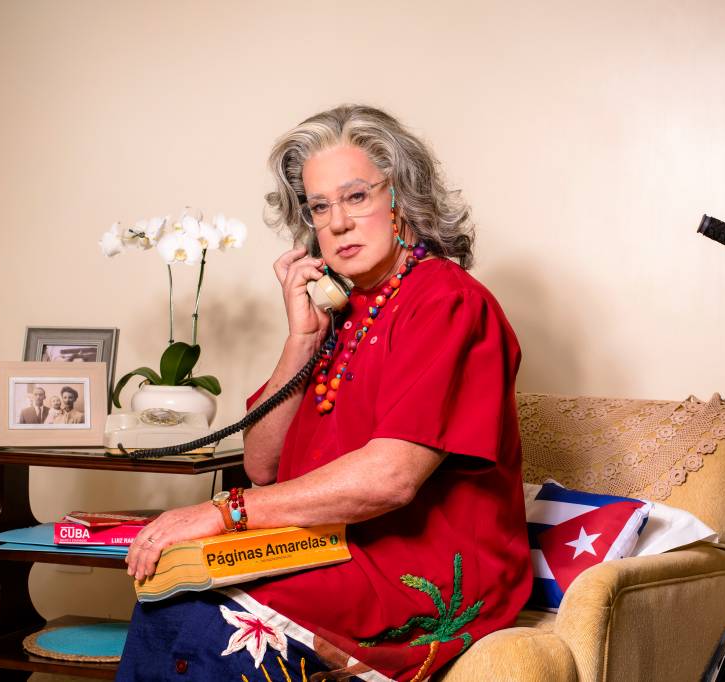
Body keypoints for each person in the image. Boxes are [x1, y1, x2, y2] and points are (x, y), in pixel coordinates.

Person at [118, 105, 532, 681]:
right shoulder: (341, 313)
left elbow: (391, 478)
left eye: (356, 196)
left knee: (209, 620)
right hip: (322, 545)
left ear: (401, 198)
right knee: (167, 599)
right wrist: (301, 339)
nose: (337, 223)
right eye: (319, 206)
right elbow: (262, 464)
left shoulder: (448, 302)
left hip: (412, 565)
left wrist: (224, 513)